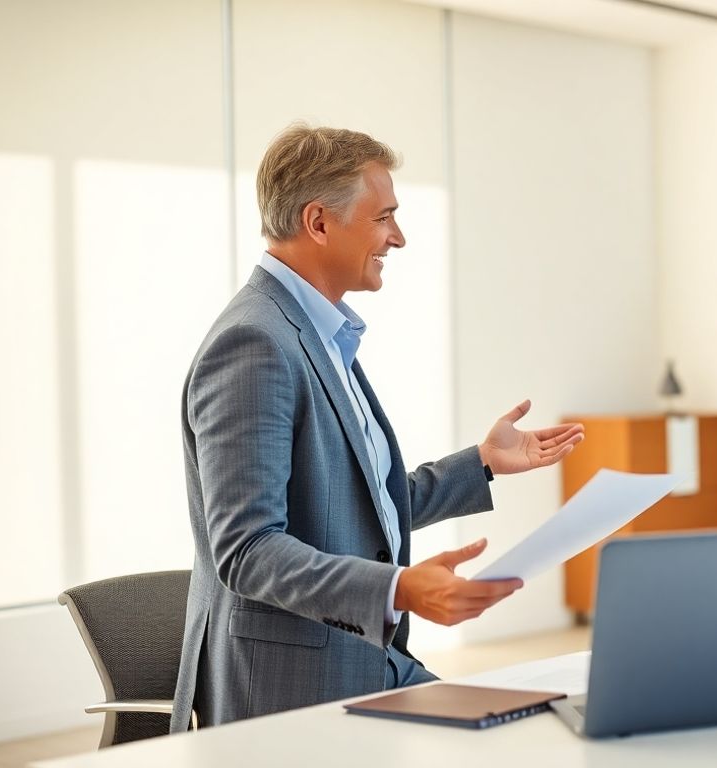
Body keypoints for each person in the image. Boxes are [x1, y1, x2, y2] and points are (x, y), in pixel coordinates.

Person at [171, 125, 584, 729]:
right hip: (290, 684)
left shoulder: (318, 333)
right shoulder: (254, 345)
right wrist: (398, 588)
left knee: (530, 724)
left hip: (368, 654)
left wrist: (482, 463)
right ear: (319, 222)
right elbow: (248, 550)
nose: (399, 238)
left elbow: (351, 507)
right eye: (383, 217)